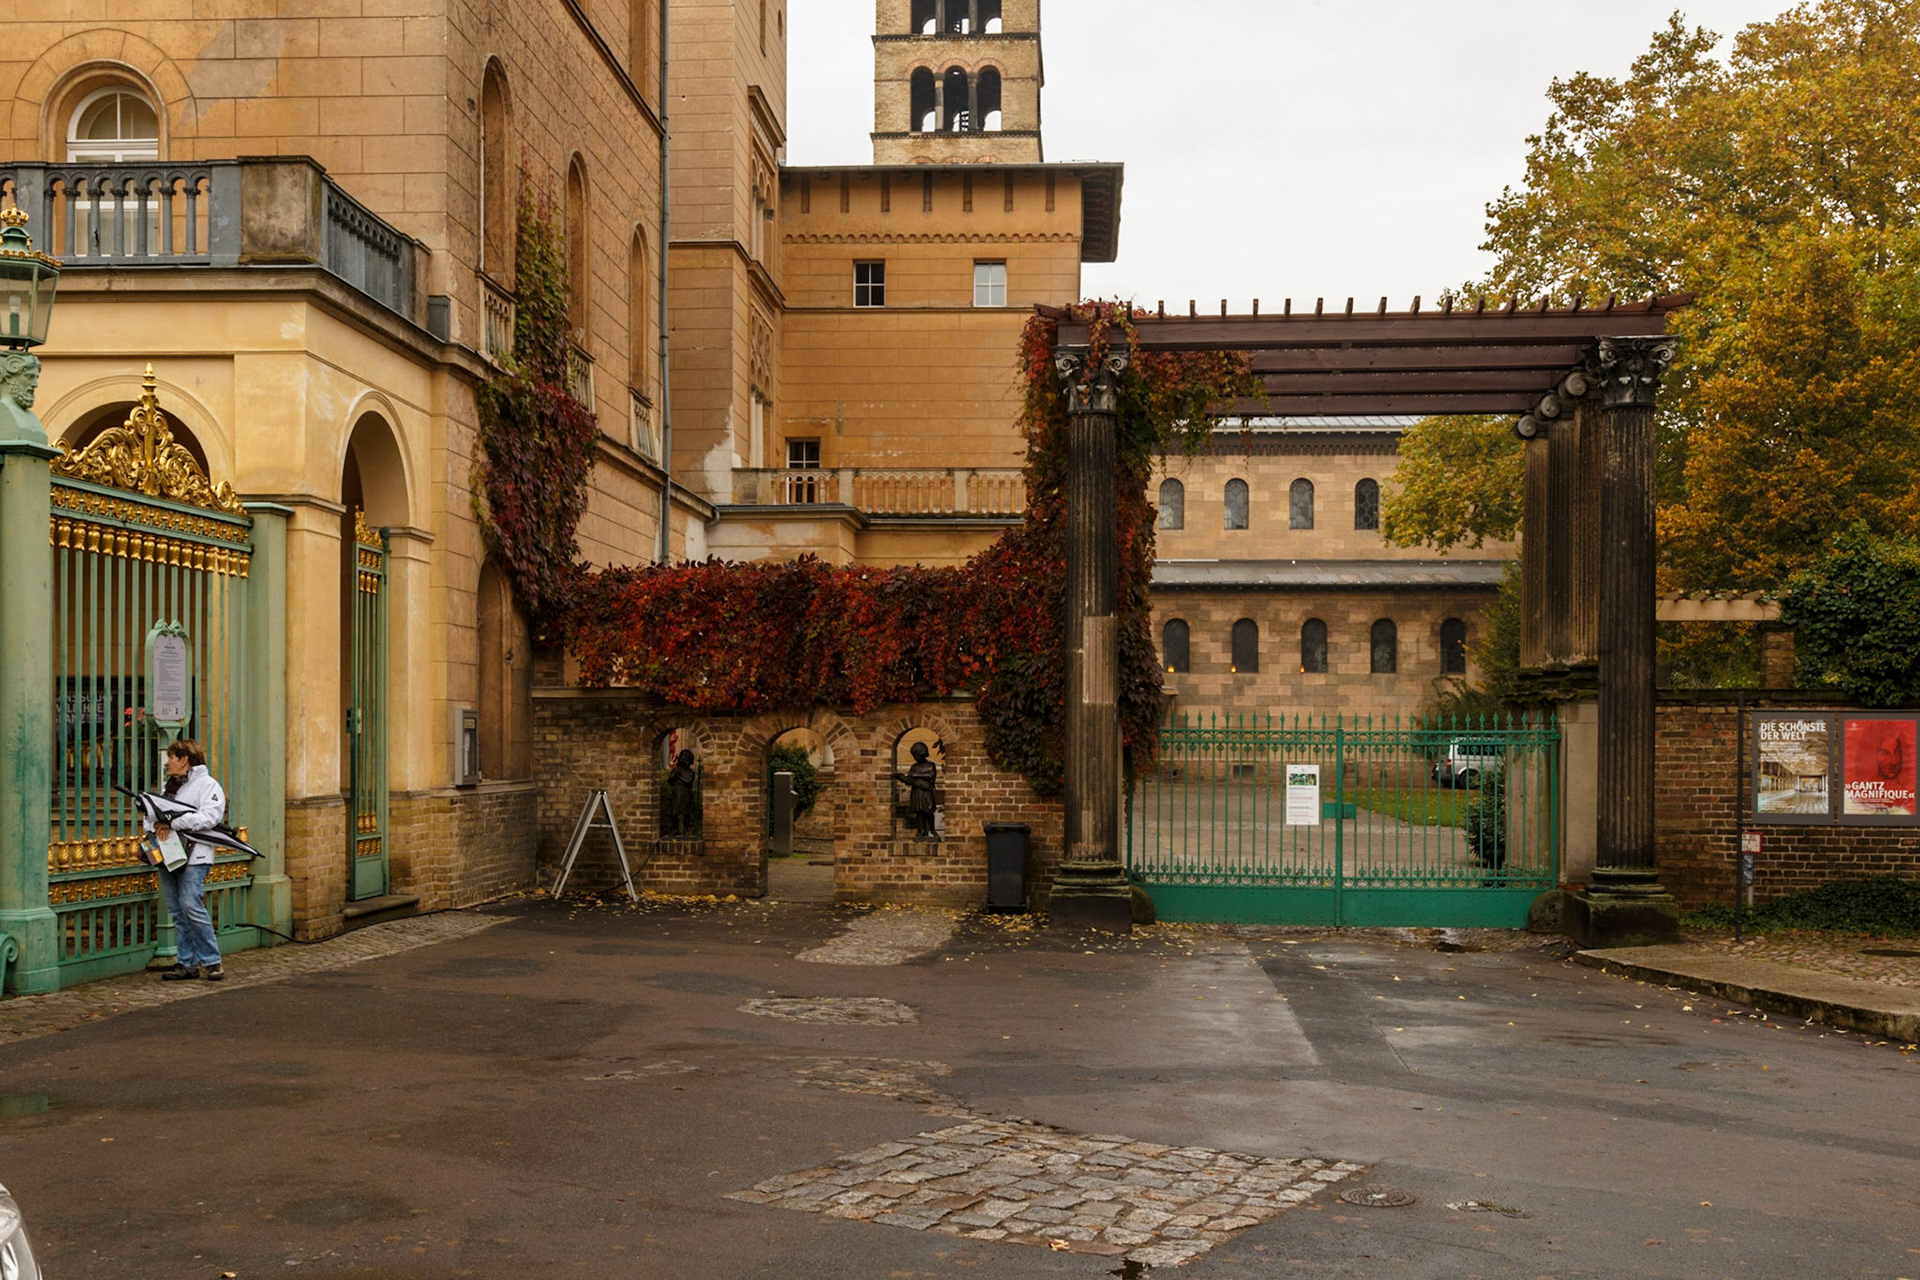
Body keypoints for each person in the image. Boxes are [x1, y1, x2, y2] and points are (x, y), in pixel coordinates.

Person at [148, 739, 227, 981]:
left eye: (172, 757)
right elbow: (151, 813)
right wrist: (156, 824)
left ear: (185, 759)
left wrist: (174, 822)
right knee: (177, 909)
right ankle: (187, 962)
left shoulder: (208, 785)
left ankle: (212, 961)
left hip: (196, 854)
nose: (167, 762)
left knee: (191, 904)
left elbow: (210, 816)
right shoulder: (169, 787)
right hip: (169, 852)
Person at [894, 741, 939, 840]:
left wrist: (917, 776)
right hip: (917, 793)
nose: (915, 758)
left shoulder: (930, 765)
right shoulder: (914, 767)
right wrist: (900, 777)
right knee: (920, 813)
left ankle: (932, 830)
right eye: (914, 756)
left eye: (917, 755)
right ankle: (921, 831)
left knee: (929, 812)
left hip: (926, 792)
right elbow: (910, 780)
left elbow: (931, 776)